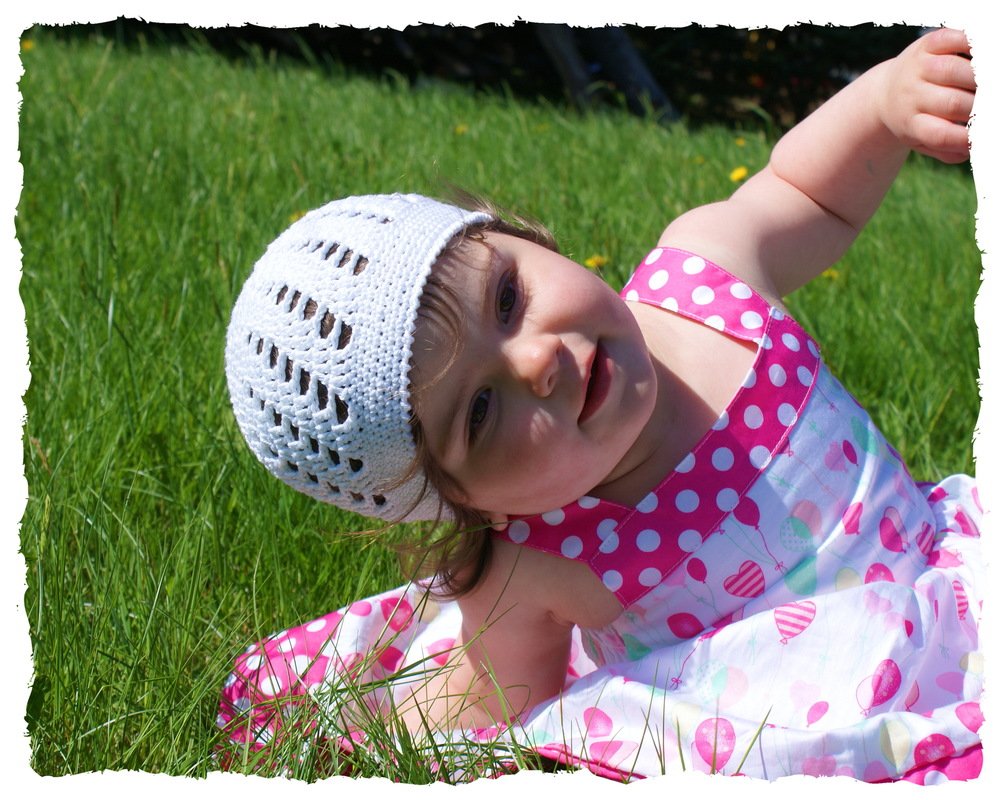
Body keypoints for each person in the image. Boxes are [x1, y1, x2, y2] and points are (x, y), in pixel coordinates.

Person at [217, 28, 983, 782]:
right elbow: (496, 703)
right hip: (818, 713)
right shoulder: (536, 561)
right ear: (470, 505)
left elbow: (806, 193)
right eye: (480, 412)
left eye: (507, 298)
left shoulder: (706, 277)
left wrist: (882, 103)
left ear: (521, 238)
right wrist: (381, 739)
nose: (536, 362)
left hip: (954, 572)